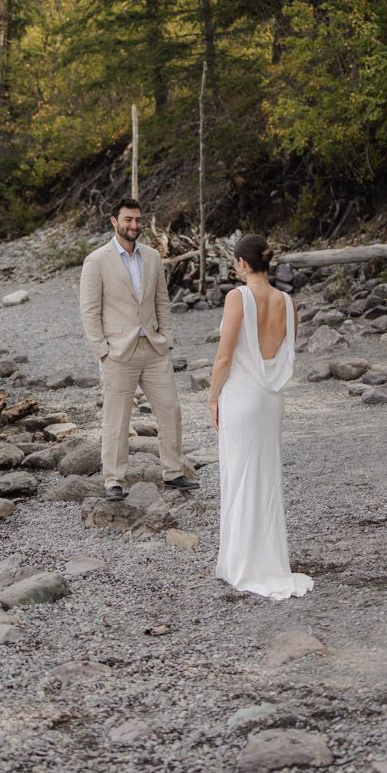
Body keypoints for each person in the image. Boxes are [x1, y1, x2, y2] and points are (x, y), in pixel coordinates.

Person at [209, 233, 313, 600]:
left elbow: (224, 356)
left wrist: (213, 396)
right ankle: (269, 561)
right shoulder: (287, 302)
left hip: (241, 395)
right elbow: (285, 350)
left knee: (239, 477)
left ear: (242, 263)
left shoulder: (238, 297)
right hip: (271, 399)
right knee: (265, 480)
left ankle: (242, 564)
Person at [79, 196, 199, 500]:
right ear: (114, 222)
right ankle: (114, 481)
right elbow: (89, 311)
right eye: (128, 219)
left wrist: (166, 338)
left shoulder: (152, 257)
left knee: (170, 410)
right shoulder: (97, 260)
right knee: (117, 419)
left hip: (154, 349)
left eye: (137, 220)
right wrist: (102, 351)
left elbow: (162, 301)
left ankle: (174, 472)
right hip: (118, 352)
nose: (134, 225)